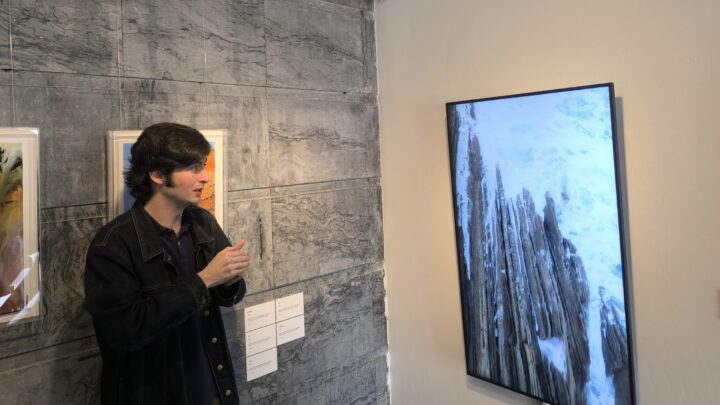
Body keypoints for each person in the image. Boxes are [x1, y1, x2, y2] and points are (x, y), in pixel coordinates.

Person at [84, 123, 250, 405]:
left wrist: (231, 278)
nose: (205, 177)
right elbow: (124, 332)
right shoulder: (112, 244)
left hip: (211, 389)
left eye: (204, 166)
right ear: (158, 174)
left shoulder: (202, 222)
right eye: (194, 168)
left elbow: (227, 296)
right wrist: (204, 280)